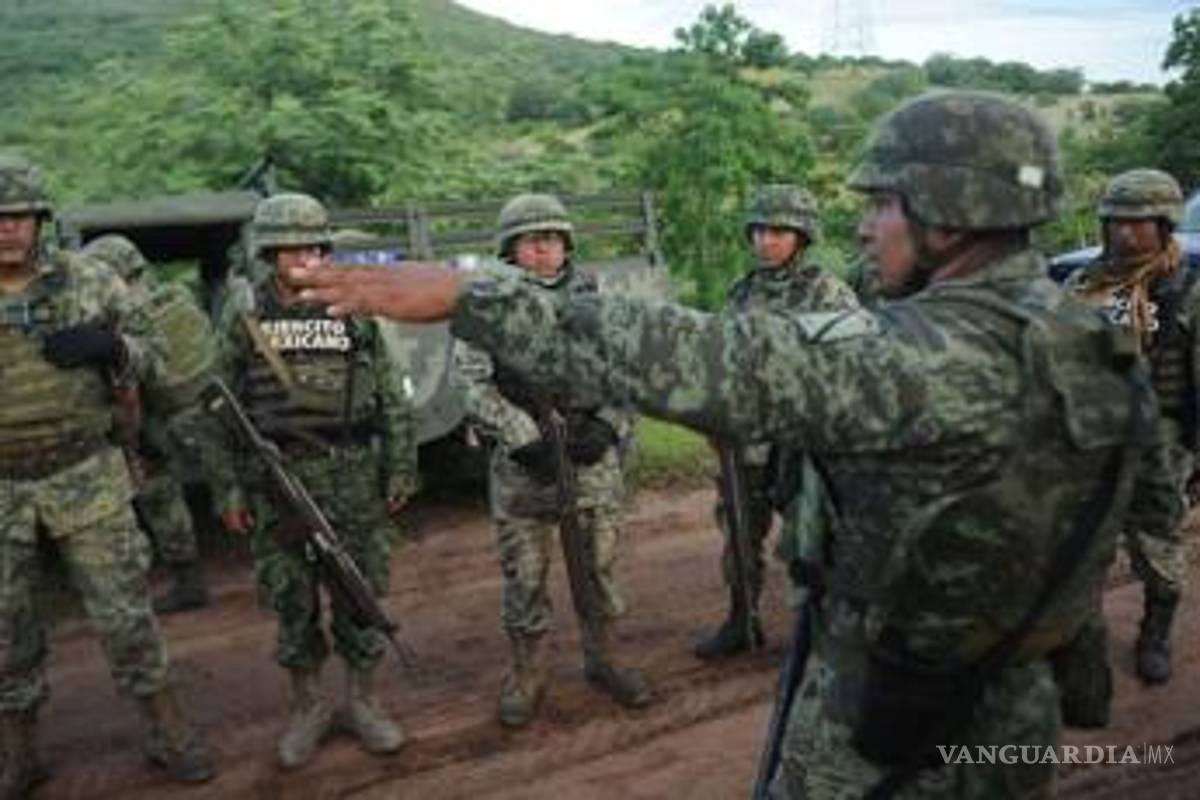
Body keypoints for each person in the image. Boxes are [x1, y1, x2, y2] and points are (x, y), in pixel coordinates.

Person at [283, 91, 1183, 799]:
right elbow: (1142, 502)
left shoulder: (917, 359)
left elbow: (707, 358)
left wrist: (472, 293)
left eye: (883, 204)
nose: (866, 226)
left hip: (892, 723)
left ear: (947, 216)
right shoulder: (1091, 337)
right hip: (1015, 713)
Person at [0, 154, 215, 797]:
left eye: (18, 216)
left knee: (125, 617)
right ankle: (19, 754)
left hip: (86, 477)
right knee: (6, 632)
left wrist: (114, 347)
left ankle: (169, 733)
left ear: (40, 220)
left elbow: (159, 357)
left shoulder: (89, 281)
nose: (6, 228)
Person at [209, 192, 419, 768]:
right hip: (278, 480)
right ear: (269, 253)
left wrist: (401, 465)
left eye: (313, 248)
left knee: (359, 592)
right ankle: (309, 708)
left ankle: (363, 702)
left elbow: (391, 393)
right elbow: (217, 403)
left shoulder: (351, 305)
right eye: (290, 249)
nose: (304, 258)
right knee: (291, 601)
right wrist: (228, 487)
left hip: (352, 475)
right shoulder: (243, 311)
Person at [453, 193, 650, 728]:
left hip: (591, 464)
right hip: (523, 470)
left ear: (567, 245)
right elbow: (471, 385)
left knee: (599, 569)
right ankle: (528, 675)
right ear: (510, 249)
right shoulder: (486, 304)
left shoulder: (596, 299)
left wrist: (608, 424)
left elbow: (630, 371)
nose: (543, 249)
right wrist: (524, 438)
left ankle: (605, 660)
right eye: (531, 240)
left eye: (553, 239)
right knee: (525, 578)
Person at [695, 183, 859, 660]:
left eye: (778, 232)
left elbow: (852, 365)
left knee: (811, 538)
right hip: (746, 440)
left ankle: (819, 628)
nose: (765, 241)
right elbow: (722, 360)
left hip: (801, 442)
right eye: (759, 231)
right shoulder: (741, 292)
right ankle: (741, 619)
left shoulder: (828, 292)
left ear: (802, 236)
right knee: (739, 533)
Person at [1062, 168, 1196, 686]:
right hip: (1090, 434)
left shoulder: (1188, 288)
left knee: (1157, 542)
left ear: (1165, 225)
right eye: (1117, 221)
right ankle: (1079, 639)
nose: (1126, 232)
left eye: (1139, 223)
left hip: (1160, 437)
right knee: (1081, 545)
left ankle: (1155, 632)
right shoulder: (1083, 285)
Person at [82, 234, 211, 615]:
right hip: (206, 409)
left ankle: (188, 581)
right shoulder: (178, 296)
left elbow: (126, 385)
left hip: (154, 421)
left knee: (160, 497)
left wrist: (130, 436)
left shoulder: (120, 319)